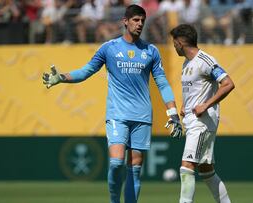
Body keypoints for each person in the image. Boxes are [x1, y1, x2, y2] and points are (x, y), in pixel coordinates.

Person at [42, 4, 182, 203]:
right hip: (117, 114)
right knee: (116, 163)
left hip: (142, 116)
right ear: (125, 22)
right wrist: (61, 77)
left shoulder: (151, 51)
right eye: (135, 20)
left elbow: (162, 83)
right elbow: (87, 70)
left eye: (142, 20)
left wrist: (172, 112)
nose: (140, 23)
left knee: (135, 169)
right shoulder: (109, 48)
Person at [170, 24, 235, 203]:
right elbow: (195, 89)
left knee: (187, 166)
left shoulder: (205, 60)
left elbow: (228, 83)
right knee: (206, 171)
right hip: (194, 120)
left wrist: (205, 105)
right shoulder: (187, 63)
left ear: (181, 42)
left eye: (174, 42)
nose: (174, 46)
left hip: (202, 122)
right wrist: (185, 105)